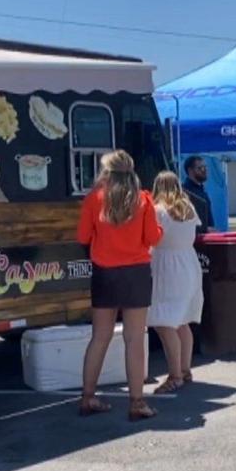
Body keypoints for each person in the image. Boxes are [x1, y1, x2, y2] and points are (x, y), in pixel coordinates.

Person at [76, 150, 164, 420]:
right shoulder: (143, 200)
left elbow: (82, 236)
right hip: (136, 272)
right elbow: (153, 237)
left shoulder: (94, 199)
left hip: (104, 273)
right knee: (134, 339)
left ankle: (88, 396)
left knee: (99, 337)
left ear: (106, 172)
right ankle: (137, 402)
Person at [147, 171, 204, 394]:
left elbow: (153, 238)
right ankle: (185, 369)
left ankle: (175, 375)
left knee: (163, 320)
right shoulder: (188, 208)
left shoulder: (158, 210)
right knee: (181, 320)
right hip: (188, 262)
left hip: (166, 264)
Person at [181, 155, 218, 233]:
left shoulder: (202, 191)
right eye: (200, 168)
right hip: (194, 240)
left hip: (207, 239)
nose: (204, 170)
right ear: (190, 170)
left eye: (205, 167)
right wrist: (205, 229)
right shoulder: (184, 193)